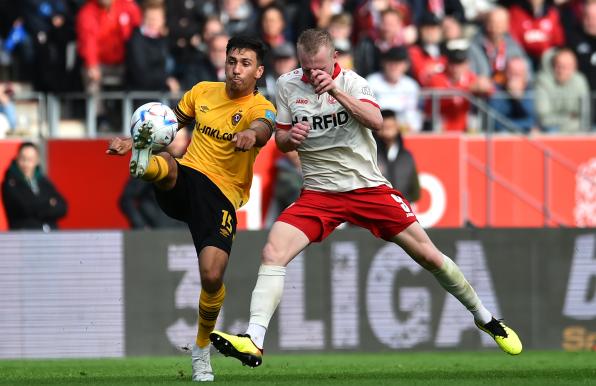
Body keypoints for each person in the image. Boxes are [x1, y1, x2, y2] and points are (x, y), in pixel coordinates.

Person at [209, 28, 522, 369]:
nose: (313, 75)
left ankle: (486, 319)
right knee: (272, 251)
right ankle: (254, 340)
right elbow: (281, 140)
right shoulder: (287, 85)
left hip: (367, 187)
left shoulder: (355, 84)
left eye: (320, 68)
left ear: (334, 60)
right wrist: (291, 137)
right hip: (319, 192)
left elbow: (376, 120)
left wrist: (337, 93)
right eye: (307, 68)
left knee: (430, 256)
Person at [106, 36, 276, 381]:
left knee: (212, 276)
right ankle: (144, 165)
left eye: (245, 63)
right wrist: (132, 140)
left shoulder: (262, 107)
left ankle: (201, 351)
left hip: (222, 196)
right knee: (167, 159)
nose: (236, 69)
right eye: (232, 61)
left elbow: (263, 128)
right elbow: (168, 125)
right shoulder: (201, 91)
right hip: (189, 175)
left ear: (258, 71)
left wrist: (251, 136)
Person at [2, 142, 67, 230]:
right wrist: (49, 203)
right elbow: (26, 208)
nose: (26, 163)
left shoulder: (42, 181)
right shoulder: (10, 183)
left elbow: (62, 206)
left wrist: (39, 205)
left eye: (30, 159)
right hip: (23, 235)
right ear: (17, 158)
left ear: (37, 160)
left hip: (49, 235)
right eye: (23, 159)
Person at [366, 46, 422, 132]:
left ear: (406, 66)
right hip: (377, 131)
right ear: (383, 63)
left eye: (398, 62)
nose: (394, 66)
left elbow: (413, 115)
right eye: (390, 62)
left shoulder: (411, 85)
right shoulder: (371, 82)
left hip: (403, 132)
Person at [535, 47, 590, 133]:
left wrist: (569, 119)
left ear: (574, 67)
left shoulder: (580, 80)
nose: (562, 70)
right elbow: (543, 118)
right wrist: (570, 118)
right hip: (551, 130)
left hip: (577, 129)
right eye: (559, 66)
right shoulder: (543, 81)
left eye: (568, 66)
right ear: (553, 66)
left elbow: (585, 115)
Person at [375, 109, 420, 203]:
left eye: (390, 126)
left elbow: (416, 193)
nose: (388, 129)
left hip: (401, 212)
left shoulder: (407, 157)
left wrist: (401, 204)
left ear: (397, 127)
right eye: (385, 127)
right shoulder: (371, 155)